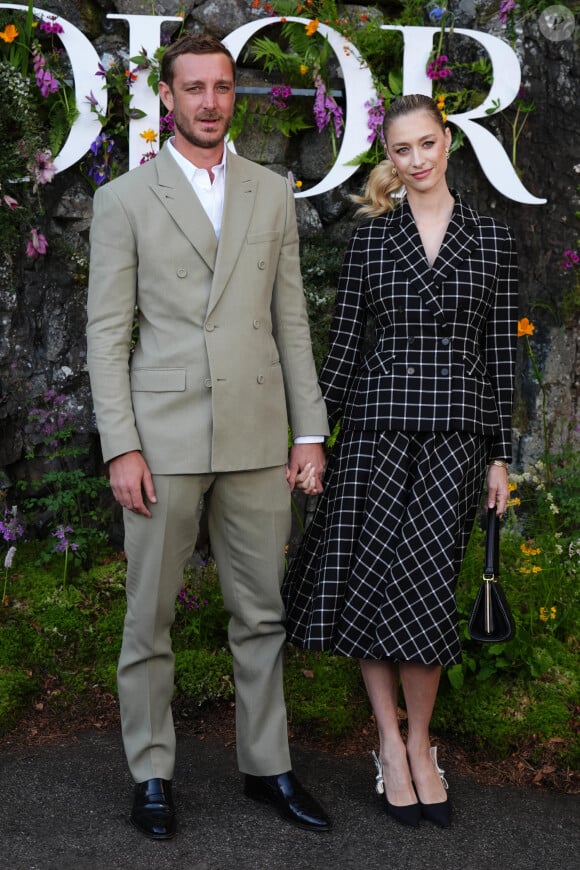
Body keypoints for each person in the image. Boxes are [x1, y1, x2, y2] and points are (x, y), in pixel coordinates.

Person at [86, 33, 331, 839]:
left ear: (235, 95)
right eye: (192, 87)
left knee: (261, 615)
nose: (208, 102)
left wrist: (310, 432)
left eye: (222, 87)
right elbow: (107, 335)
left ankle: (268, 767)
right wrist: (121, 445)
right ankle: (151, 773)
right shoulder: (124, 199)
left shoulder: (270, 191)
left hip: (261, 438)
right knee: (148, 618)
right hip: (163, 443)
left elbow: (290, 321)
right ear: (166, 95)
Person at [283, 94, 518, 829]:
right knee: (372, 589)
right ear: (390, 158)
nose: (416, 160)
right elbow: (345, 346)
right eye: (402, 150)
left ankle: (423, 742)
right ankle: (388, 742)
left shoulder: (492, 239)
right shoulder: (371, 242)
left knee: (421, 592)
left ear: (448, 143)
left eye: (427, 144)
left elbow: (503, 356)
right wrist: (314, 438)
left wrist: (501, 458)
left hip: (455, 438)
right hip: (377, 433)